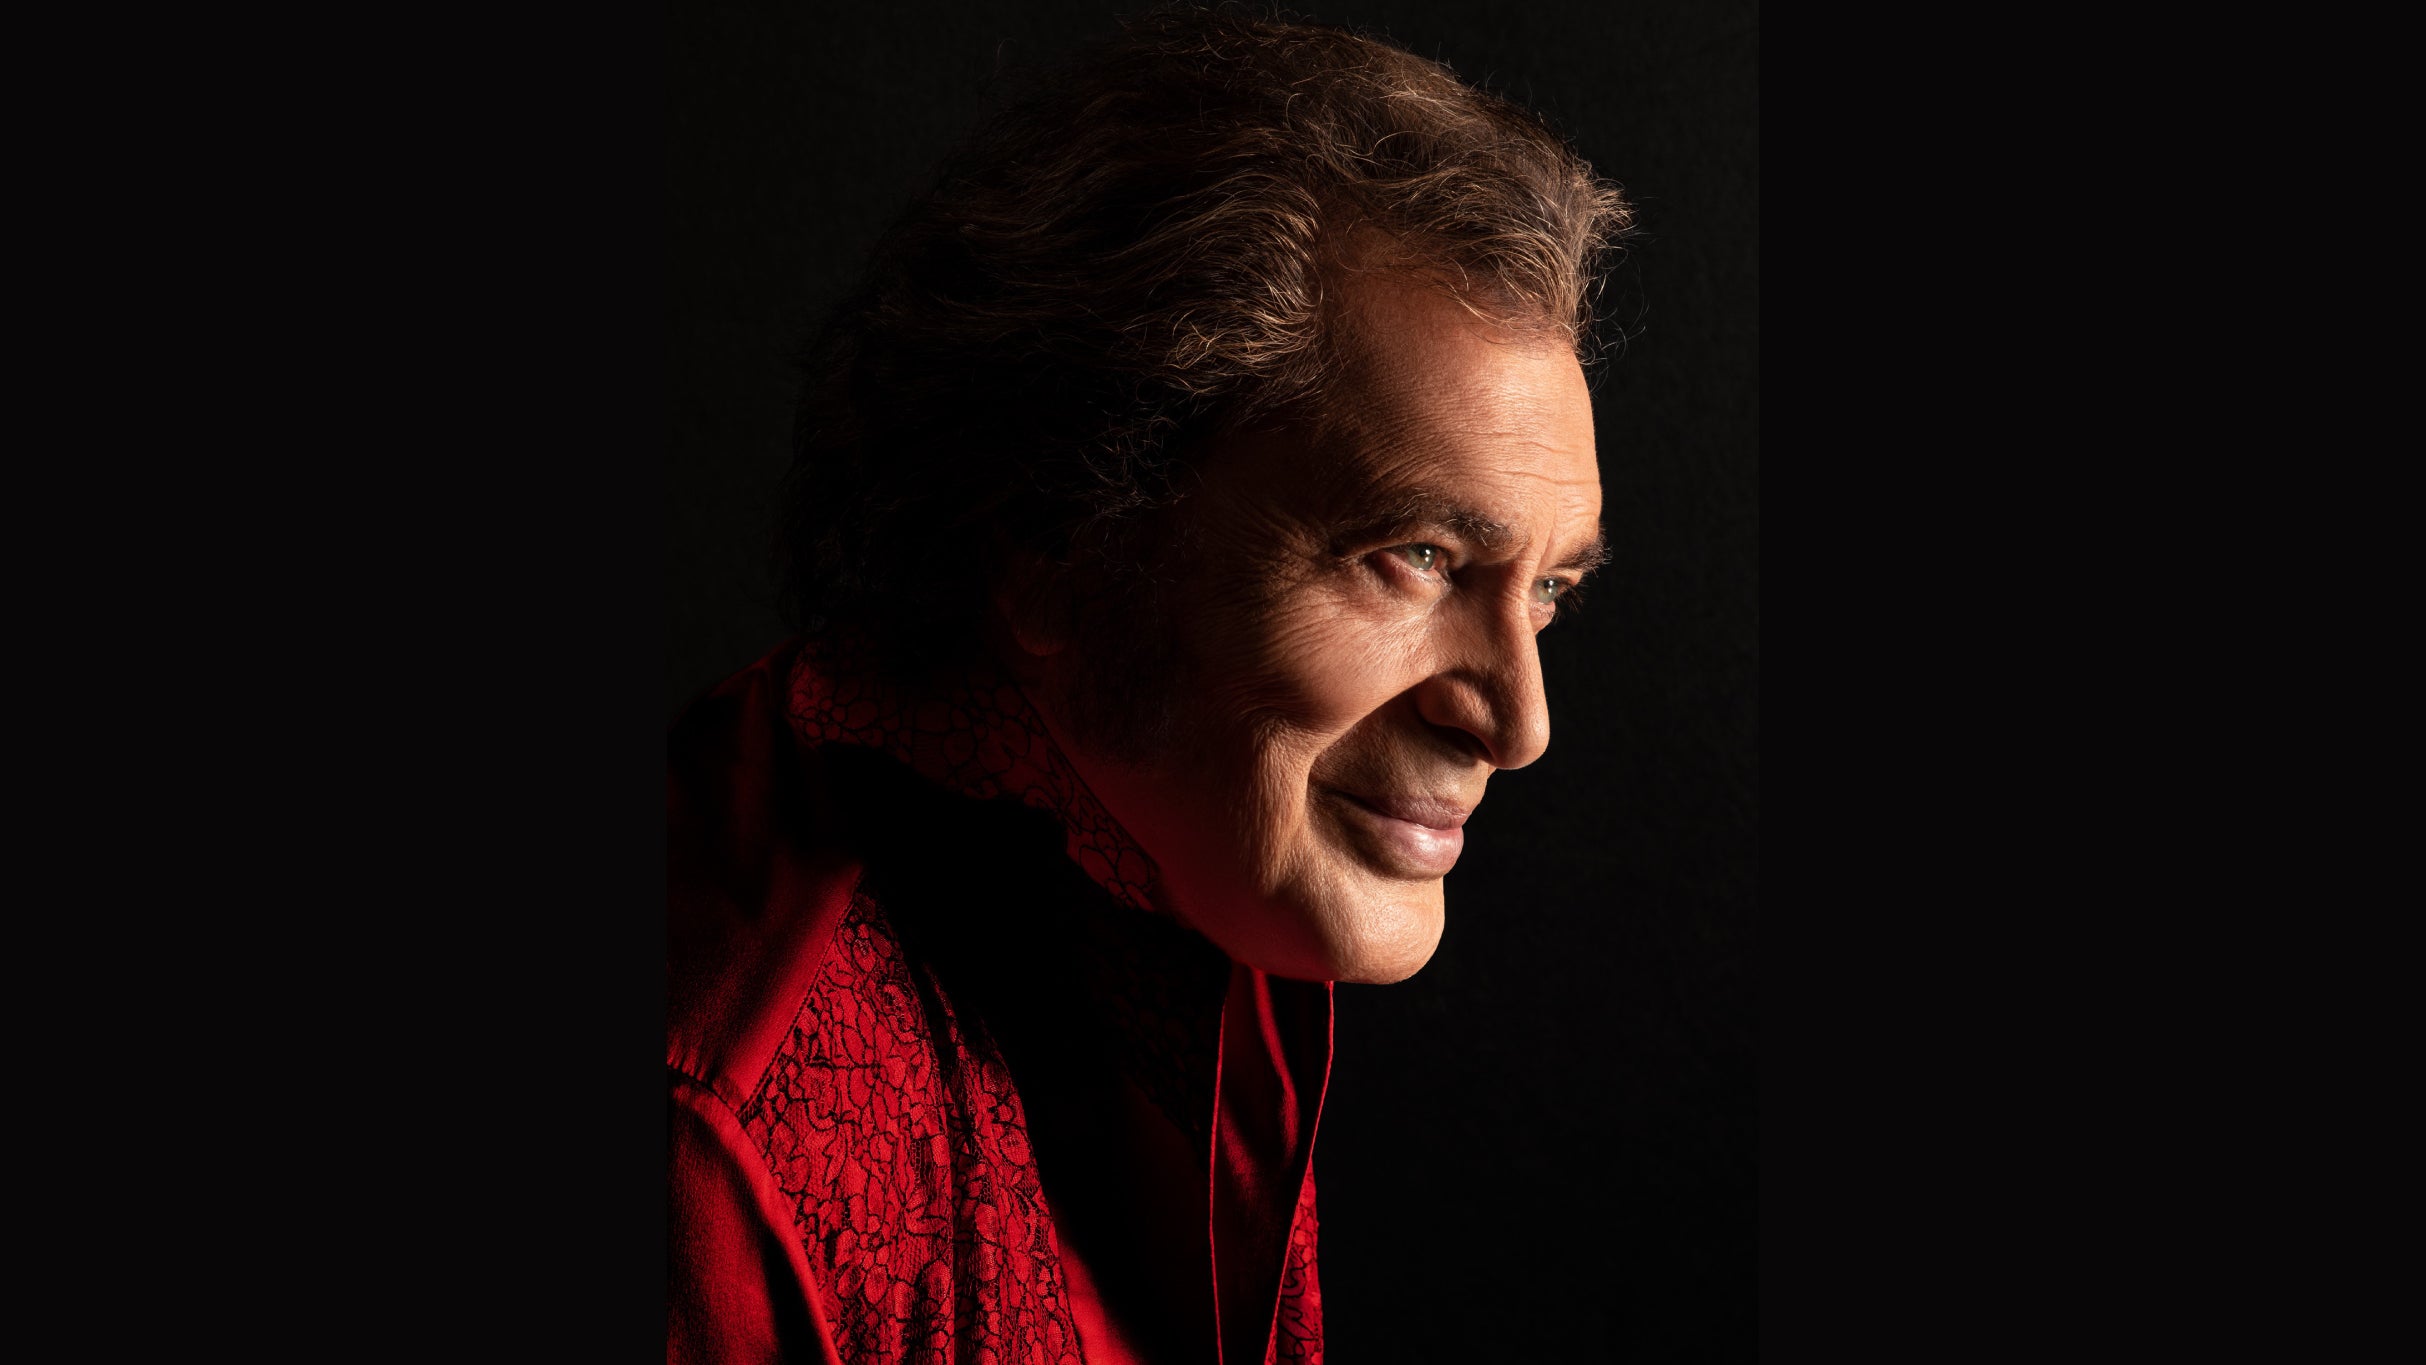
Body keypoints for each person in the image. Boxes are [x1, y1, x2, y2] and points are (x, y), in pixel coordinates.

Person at [668, 8, 1632, 1362]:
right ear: (1056, 549)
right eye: (1414, 557)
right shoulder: (712, 1139)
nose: (1518, 722)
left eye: (1547, 589)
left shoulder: (1184, 858)